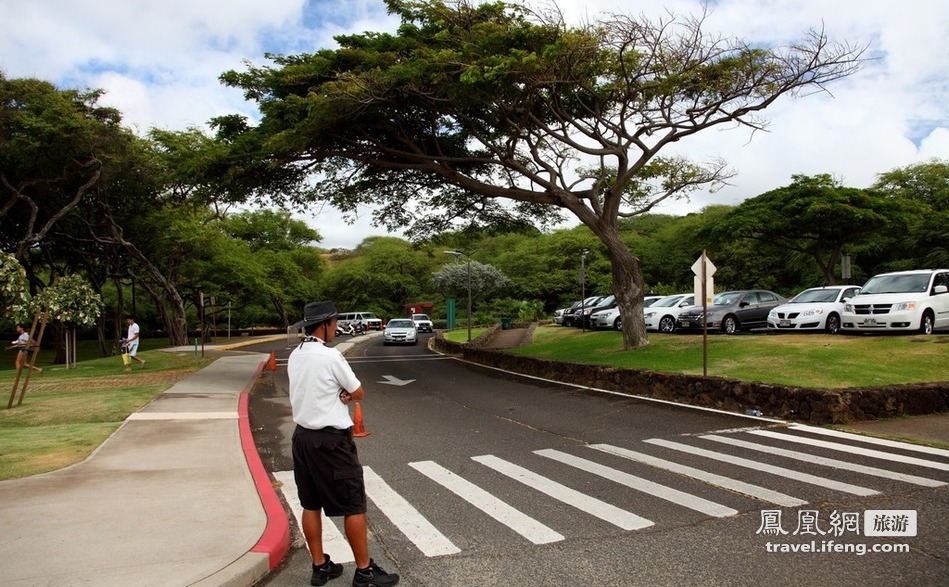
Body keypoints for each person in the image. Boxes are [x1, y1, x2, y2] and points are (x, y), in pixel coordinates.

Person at [287, 301, 399, 587]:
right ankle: (364, 571)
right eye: (334, 322)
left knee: (310, 504)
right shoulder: (330, 356)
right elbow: (358, 391)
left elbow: (314, 388)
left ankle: (320, 566)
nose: (336, 327)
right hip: (331, 442)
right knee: (352, 504)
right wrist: (346, 394)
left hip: (302, 439)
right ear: (324, 325)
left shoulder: (295, 355)